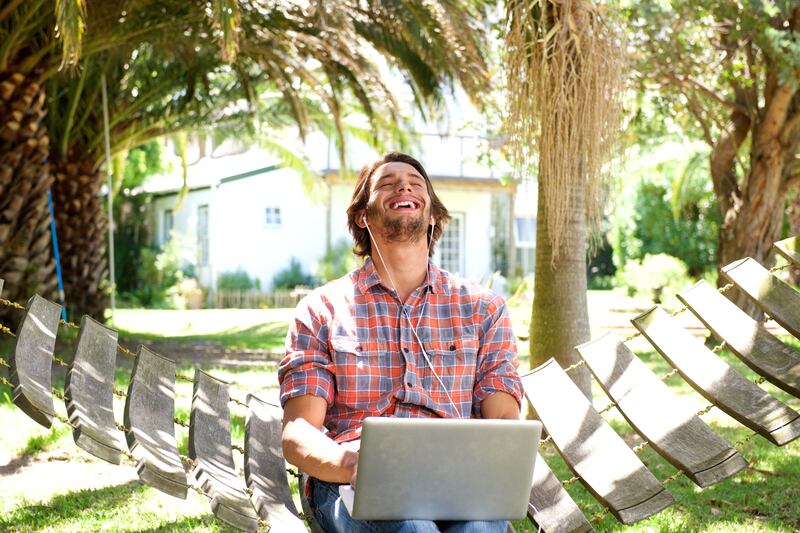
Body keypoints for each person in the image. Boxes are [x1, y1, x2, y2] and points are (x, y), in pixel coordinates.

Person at [279, 151, 523, 533]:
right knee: (413, 527)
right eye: (388, 183)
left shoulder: (483, 309)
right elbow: (298, 431)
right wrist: (353, 465)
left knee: (478, 527)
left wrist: (495, 468)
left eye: (414, 182)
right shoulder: (322, 310)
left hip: (458, 481)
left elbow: (504, 420)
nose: (404, 185)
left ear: (434, 215)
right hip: (348, 482)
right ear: (363, 215)